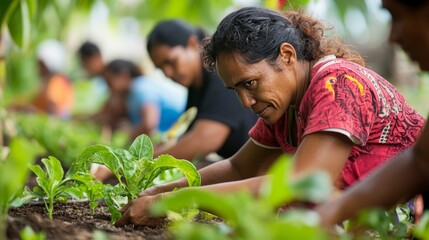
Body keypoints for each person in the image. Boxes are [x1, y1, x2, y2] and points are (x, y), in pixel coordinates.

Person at [113, 7, 425, 227]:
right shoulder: (286, 105)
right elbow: (238, 166)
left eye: (250, 83)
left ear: (287, 56)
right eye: (235, 89)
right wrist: (163, 190)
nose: (246, 101)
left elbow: (301, 181)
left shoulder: (337, 84)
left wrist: (178, 200)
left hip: (400, 221)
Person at [93, 19, 258, 182]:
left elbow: (204, 139)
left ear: (192, 43)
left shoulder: (219, 74)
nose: (168, 73)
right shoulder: (196, 89)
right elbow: (183, 139)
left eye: (171, 62)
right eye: (161, 69)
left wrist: (132, 167)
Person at [316, 0, 429, 226]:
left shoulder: (335, 81)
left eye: (396, 17)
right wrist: (334, 211)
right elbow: (420, 161)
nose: (392, 37)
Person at [103, 59, 186, 140]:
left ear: (124, 75)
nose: (108, 88)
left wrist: (130, 138)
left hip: (181, 132)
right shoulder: (130, 96)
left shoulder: (140, 87)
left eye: (109, 82)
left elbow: (149, 124)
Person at [33, 39, 74, 119]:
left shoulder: (56, 81)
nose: (38, 68)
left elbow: (52, 110)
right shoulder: (54, 80)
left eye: (41, 65)